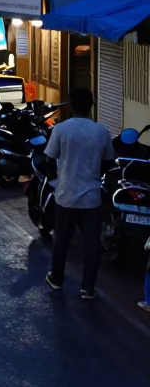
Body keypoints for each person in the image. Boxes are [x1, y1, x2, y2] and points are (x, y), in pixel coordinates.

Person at [44, 86, 115, 300]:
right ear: (91, 106)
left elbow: (49, 158)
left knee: (62, 242)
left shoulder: (61, 130)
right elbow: (109, 163)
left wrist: (56, 180)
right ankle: (88, 288)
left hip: (65, 195)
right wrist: (94, 174)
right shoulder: (101, 132)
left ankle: (57, 279)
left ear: (71, 106)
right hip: (91, 198)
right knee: (92, 246)